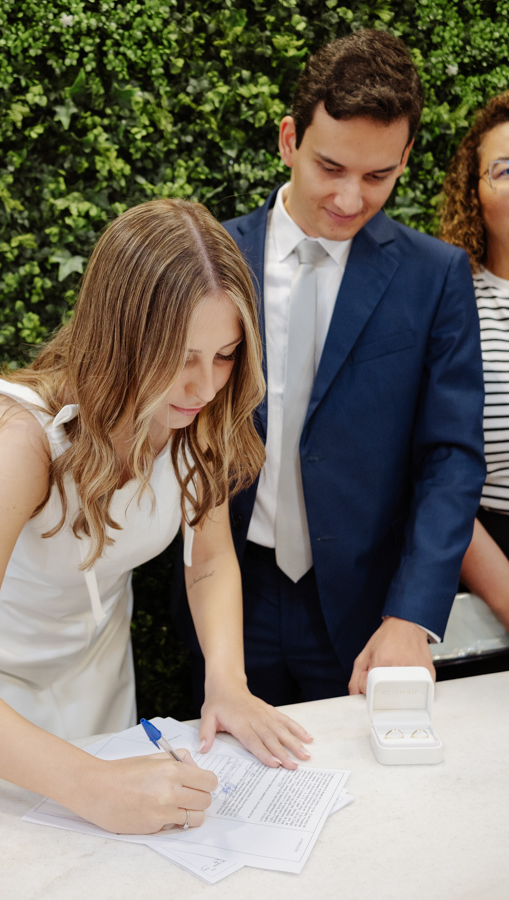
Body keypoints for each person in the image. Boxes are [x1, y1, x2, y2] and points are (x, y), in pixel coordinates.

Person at [0, 199, 312, 836]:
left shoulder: (198, 414)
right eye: (180, 356)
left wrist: (228, 682)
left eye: (225, 354)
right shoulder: (21, 437)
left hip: (101, 674)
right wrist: (90, 784)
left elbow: (208, 560)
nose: (205, 388)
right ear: (118, 335)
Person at [173, 30, 486, 710]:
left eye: (378, 177)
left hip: (372, 606)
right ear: (289, 140)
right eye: (331, 167)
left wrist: (411, 613)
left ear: (406, 159)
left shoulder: (435, 277)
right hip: (228, 589)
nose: (349, 199)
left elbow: (452, 459)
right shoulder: (211, 258)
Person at [440, 92, 509, 632]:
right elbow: (435, 473)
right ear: (474, 192)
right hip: (487, 564)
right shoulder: (449, 300)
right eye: (505, 170)